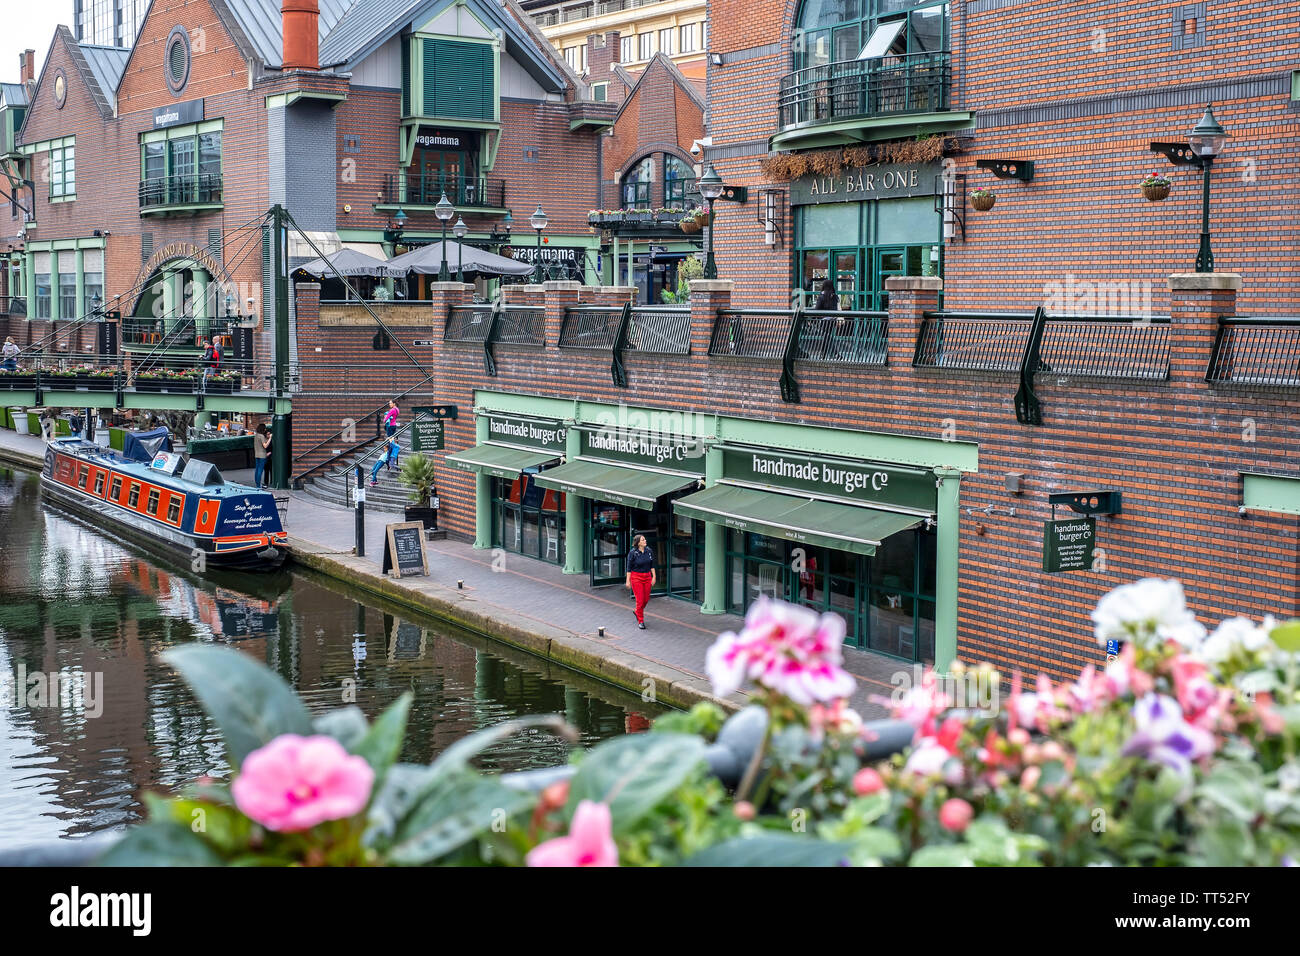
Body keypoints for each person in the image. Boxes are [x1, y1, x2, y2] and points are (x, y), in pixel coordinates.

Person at [625, 534, 656, 630]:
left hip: (647, 577)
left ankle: (637, 611)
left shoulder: (649, 551)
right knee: (640, 600)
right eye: (643, 540)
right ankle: (641, 621)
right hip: (636, 577)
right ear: (638, 543)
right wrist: (628, 581)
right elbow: (629, 568)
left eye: (645, 539)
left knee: (646, 599)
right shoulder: (633, 553)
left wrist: (654, 577)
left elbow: (652, 565)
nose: (645, 541)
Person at [253, 424, 270, 490]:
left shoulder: (256, 435)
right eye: (265, 428)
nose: (265, 430)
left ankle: (257, 484)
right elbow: (265, 446)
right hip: (262, 455)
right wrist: (270, 438)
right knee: (260, 470)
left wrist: (267, 438)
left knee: (257, 469)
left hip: (256, 455)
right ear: (262, 429)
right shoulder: (261, 436)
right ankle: (258, 485)